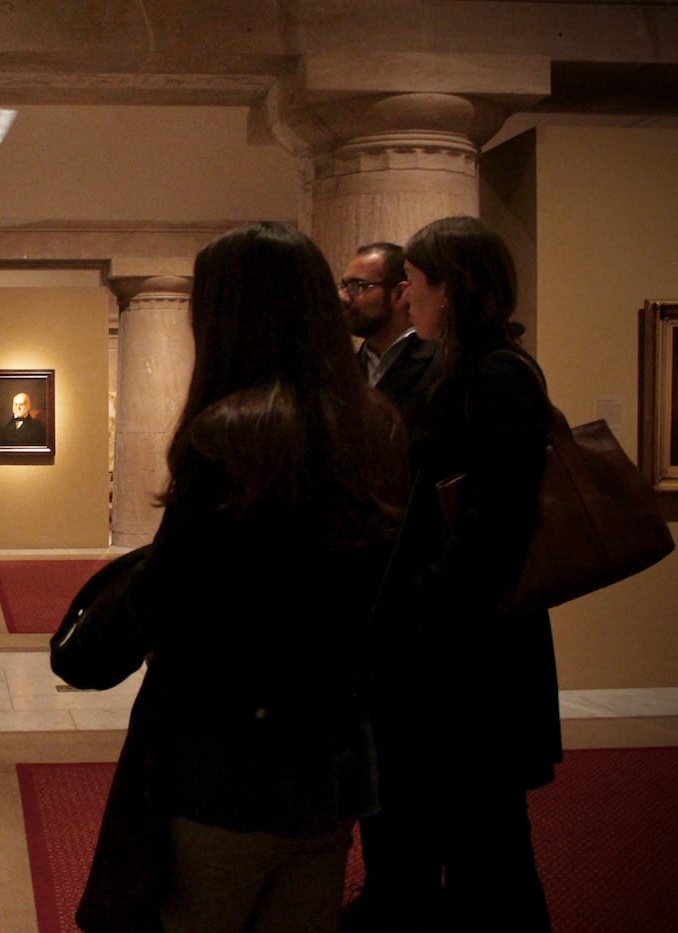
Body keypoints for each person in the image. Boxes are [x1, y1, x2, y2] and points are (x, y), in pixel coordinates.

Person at [72, 222, 408, 932]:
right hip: (330, 755)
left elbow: (171, 599)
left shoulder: (231, 435)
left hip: (225, 758)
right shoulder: (375, 426)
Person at [366, 215, 559, 932]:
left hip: (474, 653)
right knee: (453, 832)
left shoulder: (496, 373)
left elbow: (491, 529)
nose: (405, 297)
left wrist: (414, 603)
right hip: (453, 645)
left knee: (490, 849)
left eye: (415, 282)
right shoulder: (464, 365)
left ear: (454, 287)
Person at [338, 241, 443, 930]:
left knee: (409, 762)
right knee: (371, 757)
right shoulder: (347, 373)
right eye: (345, 284)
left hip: (411, 591)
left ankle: (410, 895)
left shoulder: (434, 369)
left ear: (401, 292)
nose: (347, 295)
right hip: (360, 590)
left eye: (360, 284)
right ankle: (384, 886)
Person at [341, 241, 441, 435]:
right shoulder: (346, 368)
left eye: (356, 286)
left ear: (400, 293)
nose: (343, 297)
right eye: (343, 286)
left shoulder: (441, 362)